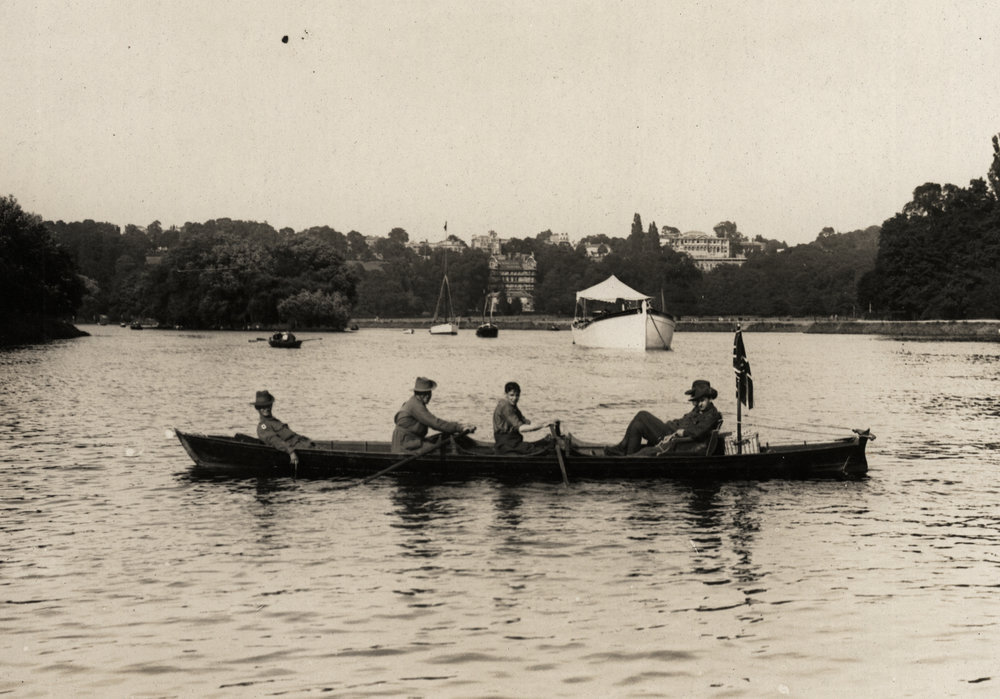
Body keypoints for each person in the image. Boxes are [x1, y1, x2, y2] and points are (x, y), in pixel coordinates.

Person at [605, 380, 722, 456]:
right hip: (670, 431)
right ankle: (628, 455)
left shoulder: (712, 415)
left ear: (709, 399)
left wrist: (681, 432)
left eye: (702, 400)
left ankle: (622, 450)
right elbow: (684, 420)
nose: (699, 404)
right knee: (637, 425)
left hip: (673, 438)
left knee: (642, 414)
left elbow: (699, 432)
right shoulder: (698, 410)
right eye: (697, 401)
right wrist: (672, 423)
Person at [391, 377, 475, 452]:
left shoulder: (416, 402)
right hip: (404, 447)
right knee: (439, 450)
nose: (427, 396)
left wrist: (460, 426)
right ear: (417, 393)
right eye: (423, 393)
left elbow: (436, 422)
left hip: (412, 442)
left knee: (444, 437)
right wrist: (459, 428)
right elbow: (435, 423)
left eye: (429, 393)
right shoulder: (415, 406)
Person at [252, 390, 314, 467]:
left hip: (304, 444)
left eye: (268, 405)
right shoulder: (263, 426)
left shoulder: (274, 421)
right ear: (258, 408)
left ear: (271, 405)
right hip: (297, 448)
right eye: (262, 407)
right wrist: (291, 452)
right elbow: (275, 440)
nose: (266, 408)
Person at [493, 381, 553, 454]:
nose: (514, 398)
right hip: (506, 443)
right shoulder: (506, 406)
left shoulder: (512, 405)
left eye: (517, 395)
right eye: (511, 395)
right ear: (505, 394)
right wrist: (542, 426)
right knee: (541, 450)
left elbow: (526, 423)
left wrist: (546, 422)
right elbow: (521, 428)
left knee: (540, 445)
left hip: (512, 441)